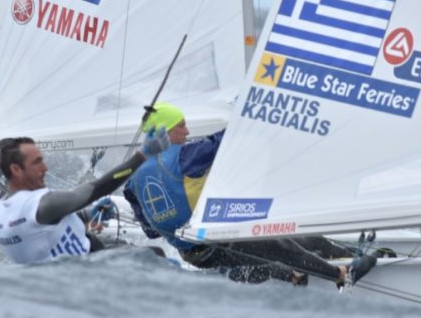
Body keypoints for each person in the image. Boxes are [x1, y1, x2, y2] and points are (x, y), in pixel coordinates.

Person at [124, 102, 376, 286]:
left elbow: (151, 232)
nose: (187, 131)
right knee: (284, 244)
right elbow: (226, 139)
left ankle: (296, 274)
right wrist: (256, 110)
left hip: (195, 255)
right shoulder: (185, 157)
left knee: (262, 255)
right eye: (182, 126)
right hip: (217, 239)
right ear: (166, 131)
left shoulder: (133, 178)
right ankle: (343, 273)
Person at [0, 127, 169, 264]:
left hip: (74, 261)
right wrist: (142, 155)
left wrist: (87, 214)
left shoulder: (2, 209)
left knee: (124, 245)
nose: (45, 168)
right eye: (37, 162)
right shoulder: (43, 205)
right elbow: (99, 188)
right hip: (89, 267)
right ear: (16, 169)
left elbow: (43, 230)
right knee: (155, 256)